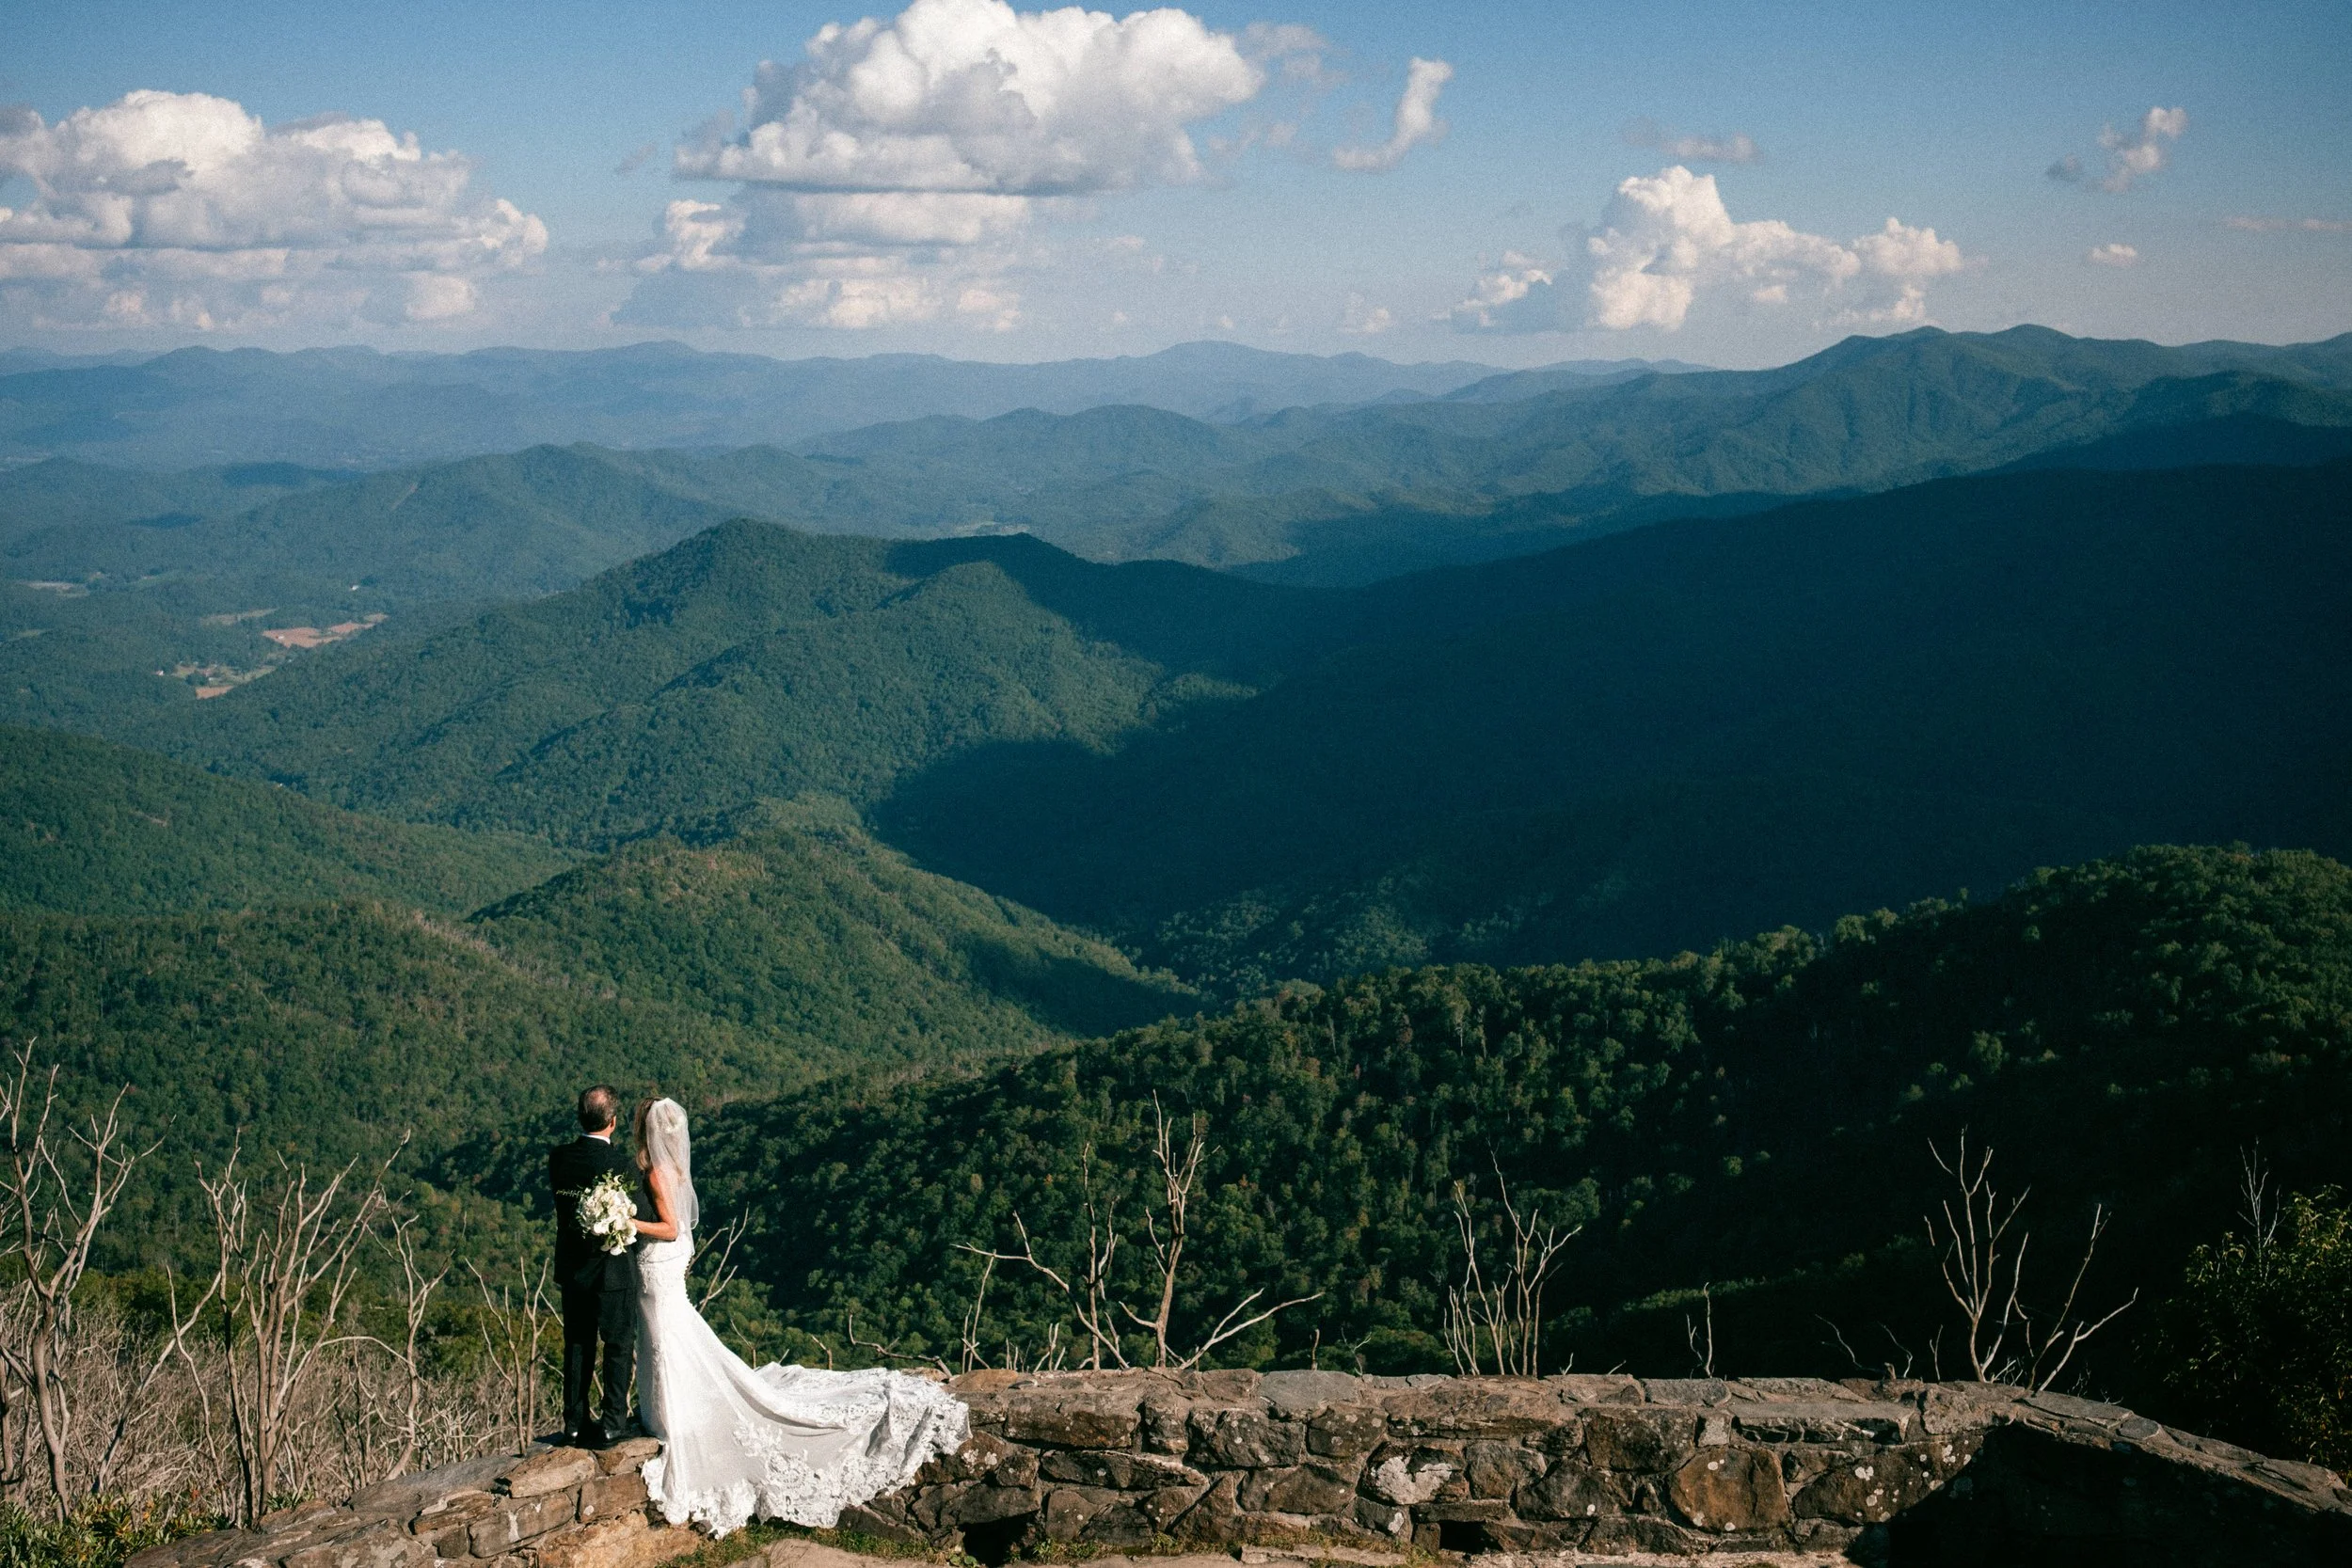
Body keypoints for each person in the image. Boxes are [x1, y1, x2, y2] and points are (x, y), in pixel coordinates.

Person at [629, 1096, 967, 1535]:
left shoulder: (657, 1172)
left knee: (666, 1340)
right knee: (671, 1341)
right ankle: (675, 1413)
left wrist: (628, 1221)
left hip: (658, 1264)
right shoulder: (674, 1170)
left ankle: (675, 1419)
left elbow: (671, 1227)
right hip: (667, 1267)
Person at [548, 1085, 640, 1449]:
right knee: (617, 1343)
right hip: (613, 1269)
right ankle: (613, 1421)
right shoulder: (620, 1165)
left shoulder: (559, 1159)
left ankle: (573, 1421)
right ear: (613, 1122)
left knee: (577, 1343)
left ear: (579, 1117)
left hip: (573, 1268)